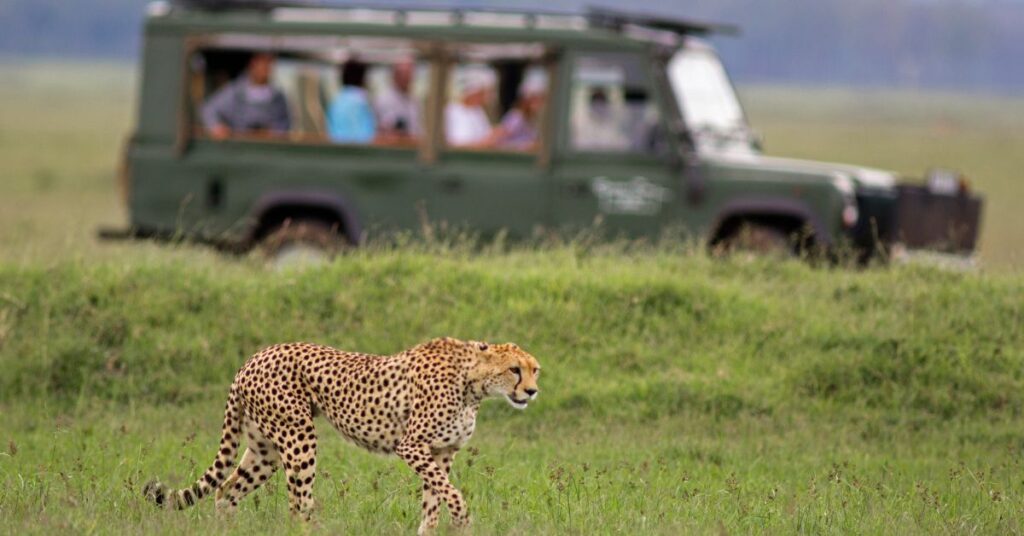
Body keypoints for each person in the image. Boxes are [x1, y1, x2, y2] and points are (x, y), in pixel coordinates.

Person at [201, 52, 291, 140]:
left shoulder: (278, 97)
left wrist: (272, 133)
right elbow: (209, 109)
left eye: (269, 63)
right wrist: (217, 127)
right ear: (252, 64)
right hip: (238, 149)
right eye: (262, 62)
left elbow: (284, 125)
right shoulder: (235, 91)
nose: (265, 68)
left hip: (268, 150)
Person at [481, 69, 547, 150]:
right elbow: (496, 138)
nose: (538, 104)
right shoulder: (516, 117)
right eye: (535, 99)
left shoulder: (531, 118)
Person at [326, 59, 377, 143]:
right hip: (360, 153)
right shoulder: (363, 102)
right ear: (362, 78)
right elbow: (367, 136)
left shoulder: (336, 102)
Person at [445, 68, 495, 147]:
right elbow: (459, 143)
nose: (484, 98)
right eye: (481, 94)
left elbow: (487, 135)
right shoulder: (453, 110)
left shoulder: (478, 110)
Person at [374, 58, 421, 141]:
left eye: (410, 75)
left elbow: (417, 129)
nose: (408, 79)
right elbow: (388, 131)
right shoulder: (384, 99)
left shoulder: (414, 100)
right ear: (395, 75)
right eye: (405, 75)